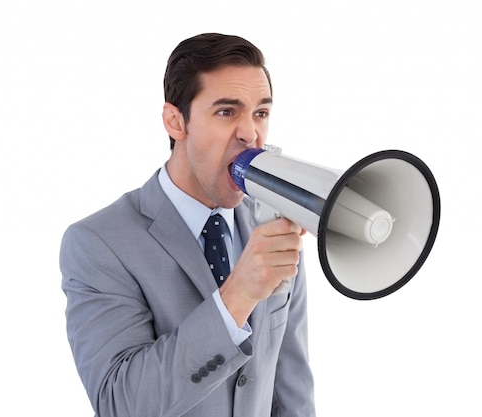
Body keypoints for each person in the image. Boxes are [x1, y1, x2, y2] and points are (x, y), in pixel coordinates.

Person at [60, 33, 316, 417]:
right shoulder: (97, 243)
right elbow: (121, 404)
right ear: (175, 122)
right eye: (227, 112)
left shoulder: (269, 225)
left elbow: (291, 391)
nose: (251, 134)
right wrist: (237, 296)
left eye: (260, 112)